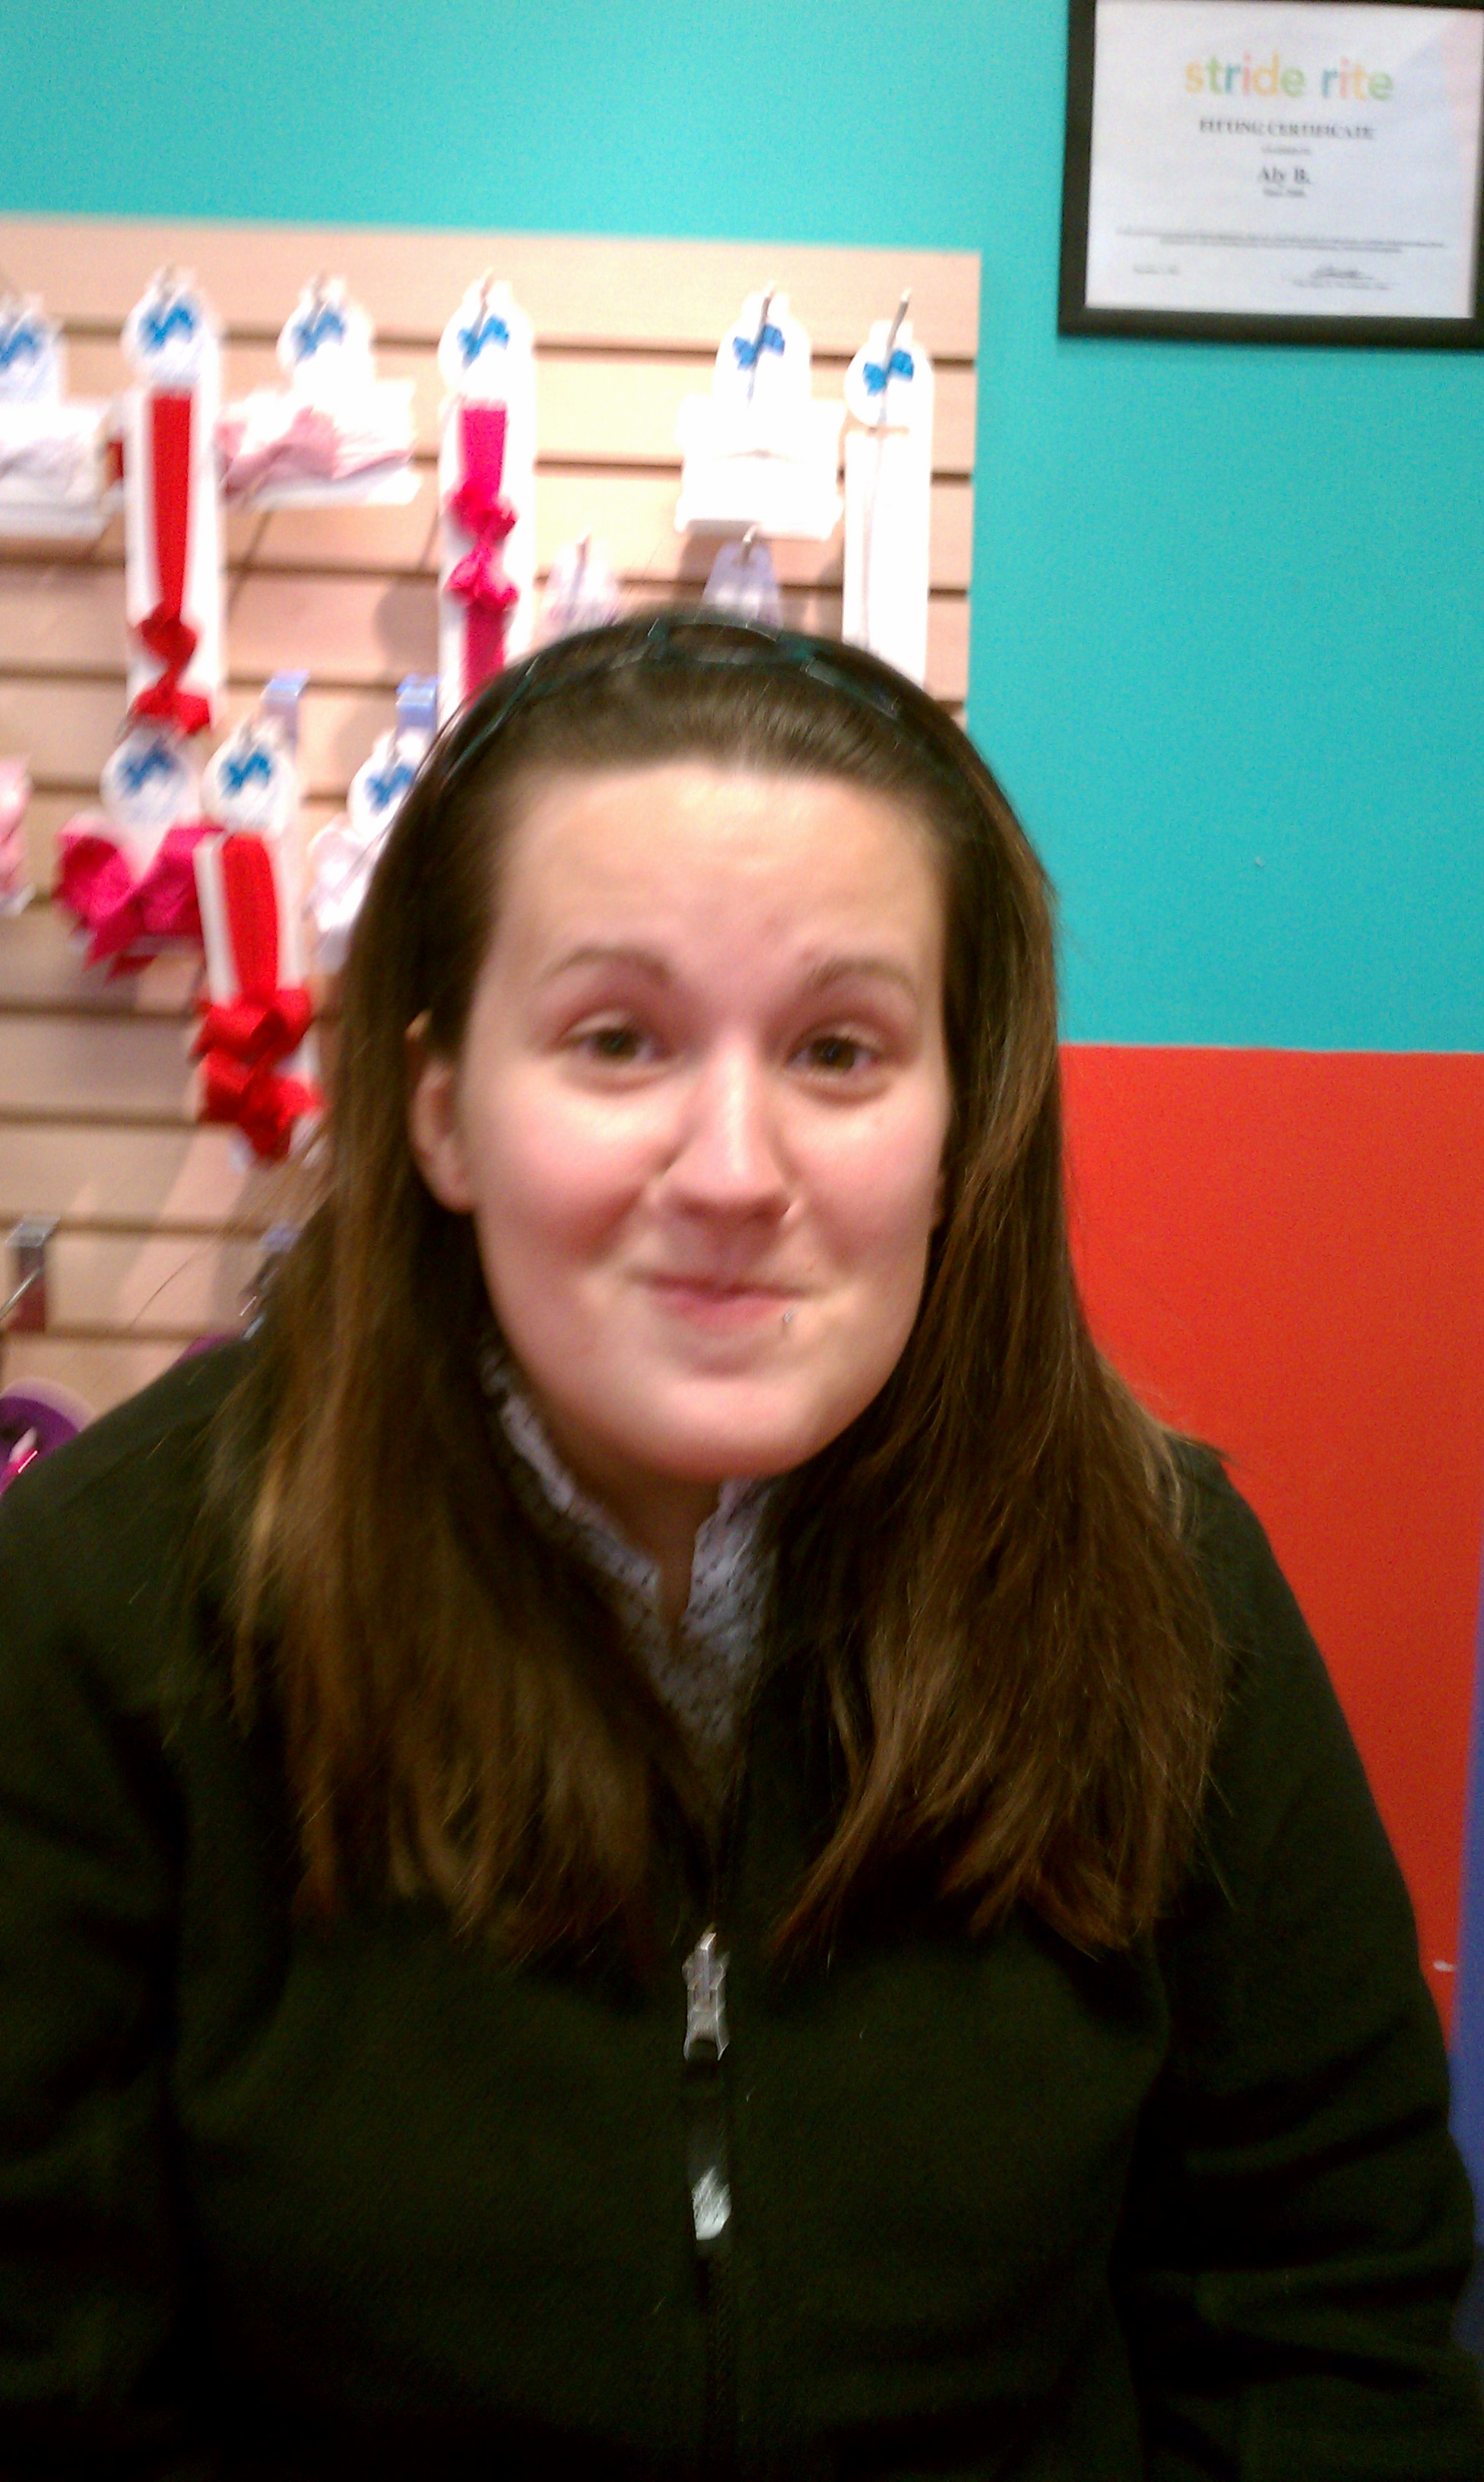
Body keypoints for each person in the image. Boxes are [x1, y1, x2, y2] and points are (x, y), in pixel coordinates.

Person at [0, 613, 1479, 2480]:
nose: (729, 1171)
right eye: (616, 1041)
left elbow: (1328, 2328)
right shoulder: (98, 1607)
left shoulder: (1166, 1592)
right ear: (443, 1113)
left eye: (839, 1052)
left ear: (958, 1125)